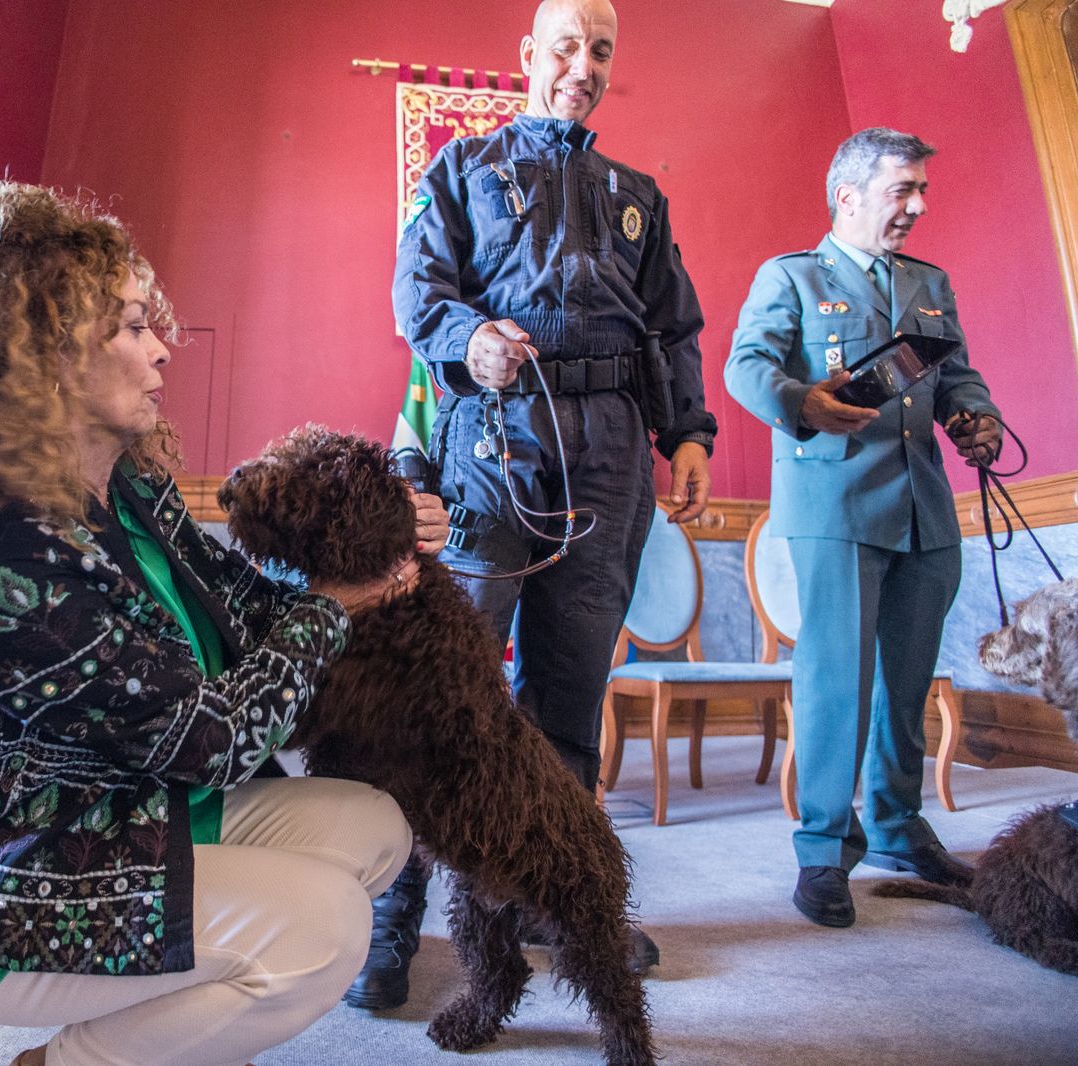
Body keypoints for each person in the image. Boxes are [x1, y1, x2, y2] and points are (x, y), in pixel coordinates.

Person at [0, 179, 450, 1066]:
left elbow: (249, 605)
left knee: (373, 828)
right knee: (322, 929)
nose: (162, 348)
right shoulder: (5, 558)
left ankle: (189, 1023)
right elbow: (214, 742)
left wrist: (376, 549)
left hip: (126, 810)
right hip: (1, 865)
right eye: (135, 327)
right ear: (48, 352)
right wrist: (333, 608)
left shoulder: (130, 488)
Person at [370, 0, 717, 1007]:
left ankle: (550, 901)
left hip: (610, 452)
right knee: (441, 690)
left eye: (600, 50)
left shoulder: (636, 194)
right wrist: (468, 339)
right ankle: (391, 917)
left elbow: (674, 328)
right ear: (527, 55)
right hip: (493, 444)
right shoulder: (462, 168)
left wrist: (687, 432)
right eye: (566, 45)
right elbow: (416, 292)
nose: (583, 65)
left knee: (568, 697)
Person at [724, 127, 1003, 928]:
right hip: (836, 502)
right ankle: (822, 847)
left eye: (921, 190)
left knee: (906, 681)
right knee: (835, 679)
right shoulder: (793, 276)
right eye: (901, 190)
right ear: (848, 195)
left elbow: (957, 374)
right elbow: (746, 366)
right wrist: (802, 402)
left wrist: (976, 415)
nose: (917, 206)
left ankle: (896, 826)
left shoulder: (929, 281)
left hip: (923, 508)